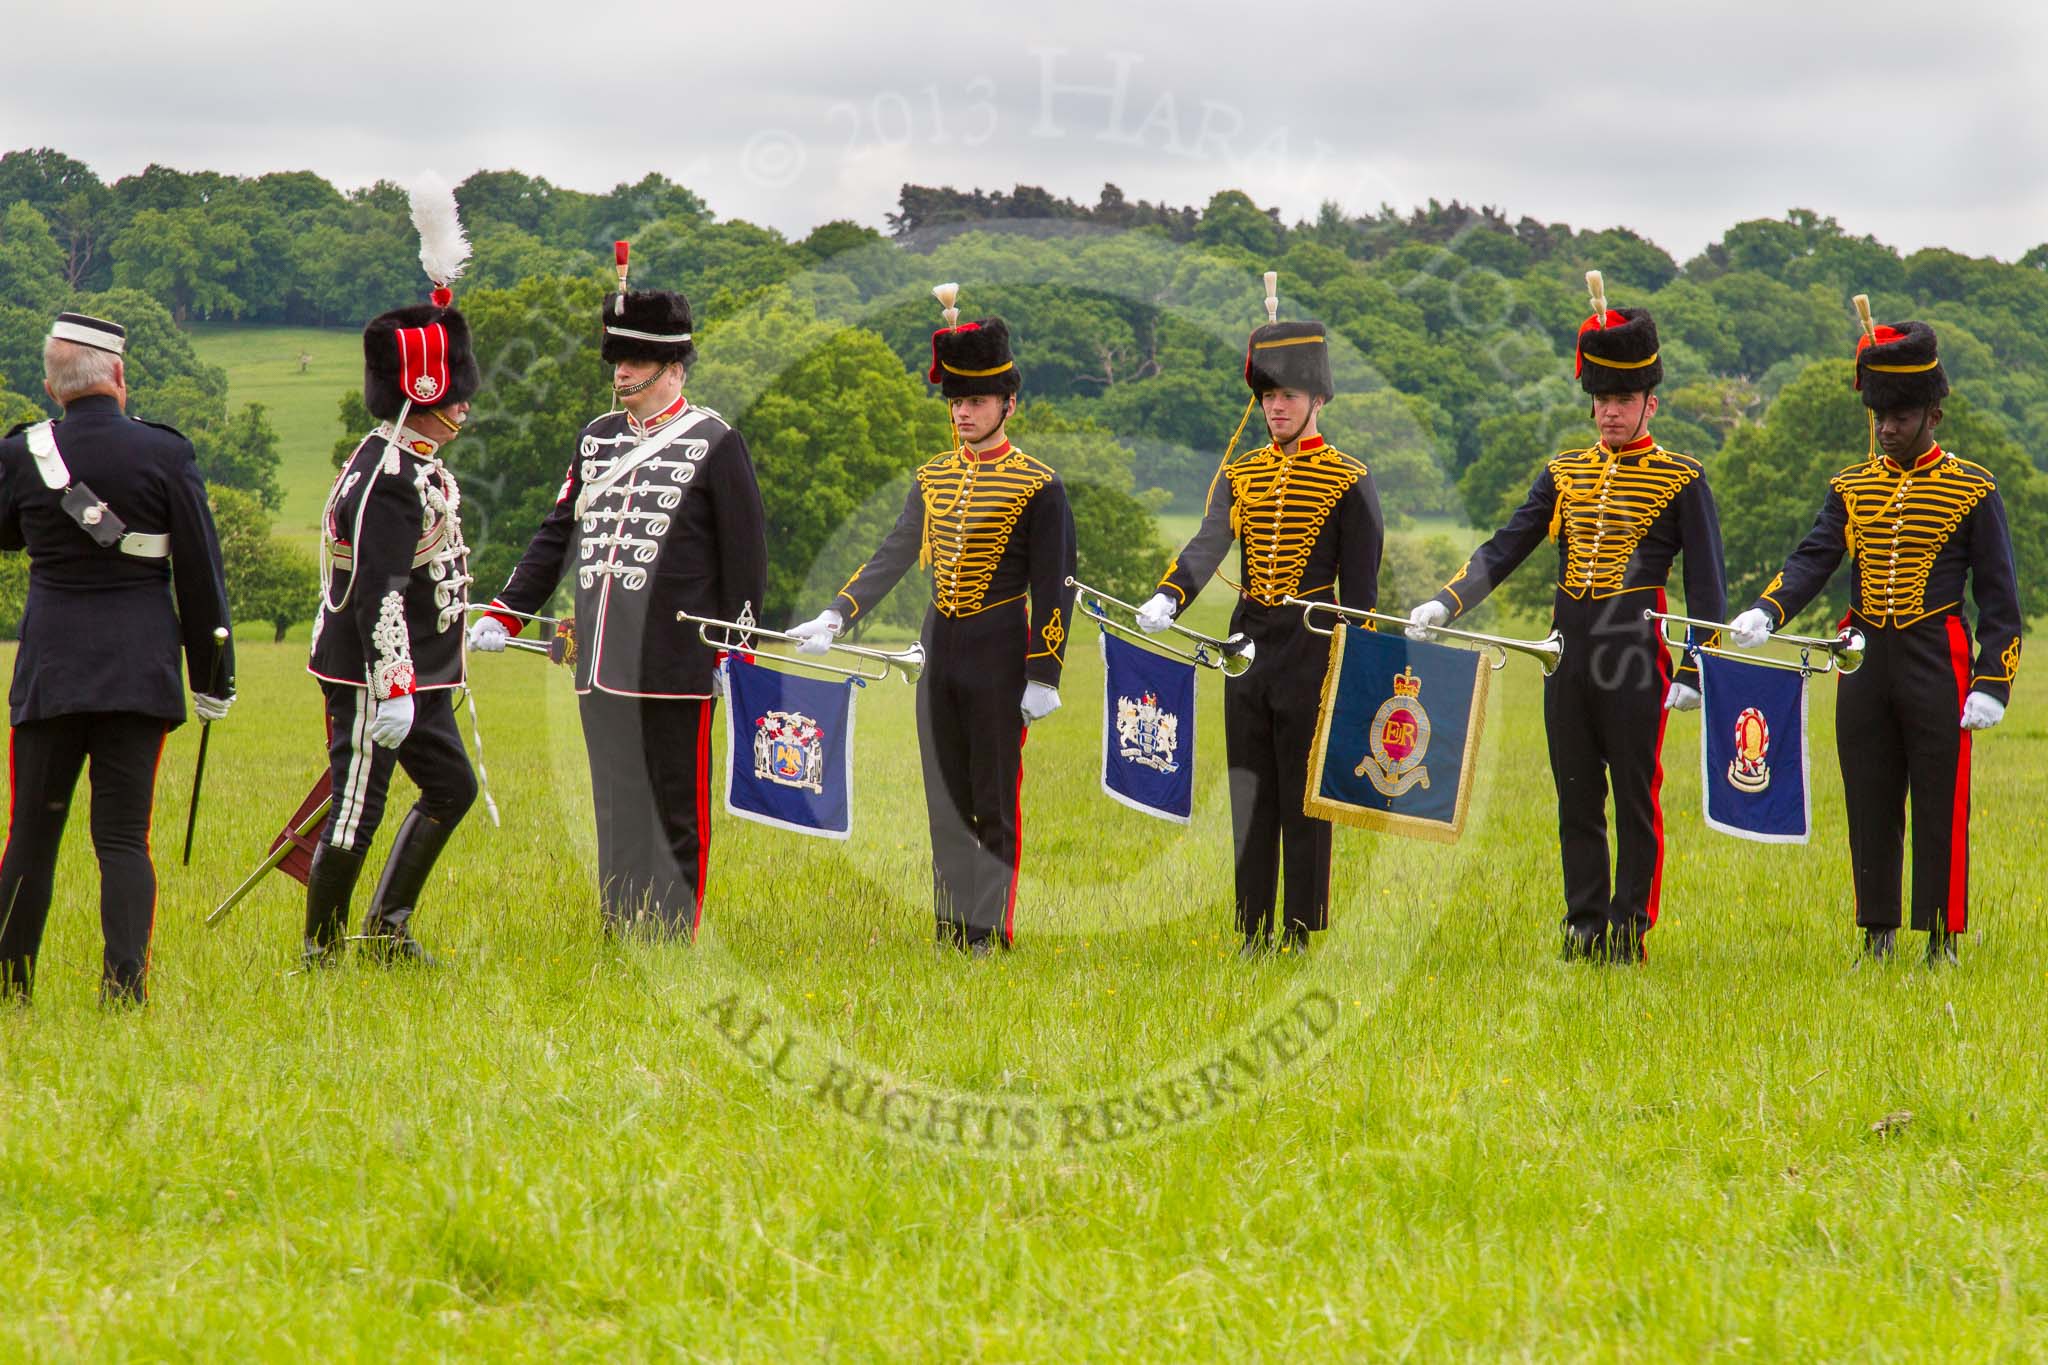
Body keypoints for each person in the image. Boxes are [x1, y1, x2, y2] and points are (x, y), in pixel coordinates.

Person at [1406, 301, 1724, 964]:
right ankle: (1583, 921)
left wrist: (1697, 666)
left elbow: (1709, 586)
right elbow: (1506, 546)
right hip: (1565, 652)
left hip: (1635, 656)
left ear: (1650, 405)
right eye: (1602, 399)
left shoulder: (1683, 477)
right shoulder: (1564, 471)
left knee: (1636, 797)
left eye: (1624, 399)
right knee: (1576, 795)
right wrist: (1448, 600)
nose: (1611, 412)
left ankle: (1629, 925)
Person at [471, 268, 767, 939]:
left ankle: (672, 931)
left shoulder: (714, 440)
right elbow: (556, 536)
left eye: (634, 361)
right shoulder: (597, 437)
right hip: (599, 659)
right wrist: (505, 610)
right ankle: (620, 924)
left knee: (674, 807)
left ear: (671, 366)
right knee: (616, 803)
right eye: (618, 359)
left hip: (677, 660)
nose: (621, 373)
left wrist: (735, 649)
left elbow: (746, 557)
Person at [788, 288, 1076, 956]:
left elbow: (1052, 585)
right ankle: (951, 926)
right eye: (955, 402)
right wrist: (837, 613)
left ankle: (988, 931)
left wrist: (1044, 672)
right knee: (944, 798)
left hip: (1001, 646)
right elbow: (892, 554)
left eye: (975, 401)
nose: (964, 414)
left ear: (1008, 403)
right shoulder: (933, 476)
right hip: (938, 644)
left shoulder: (1039, 484)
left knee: (993, 803)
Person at [1727, 318, 2021, 966]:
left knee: (1941, 800)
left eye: (1901, 414)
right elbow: (1812, 559)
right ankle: (1877, 933)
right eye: (1880, 414)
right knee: (1869, 796)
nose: (1887, 427)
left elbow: (2001, 601)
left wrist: (1992, 682)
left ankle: (1942, 938)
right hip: (1860, 653)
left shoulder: (1974, 488)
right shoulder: (1850, 487)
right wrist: (1766, 609)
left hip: (1935, 654)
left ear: (1934, 413)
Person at [1132, 303, 1381, 957]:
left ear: (1318, 396)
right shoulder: (1241, 473)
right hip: (1246, 645)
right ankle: (1250, 928)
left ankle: (1299, 929)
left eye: (1288, 394)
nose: (1276, 407)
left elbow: (1362, 596)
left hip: (1314, 644)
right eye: (1268, 395)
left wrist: (1358, 676)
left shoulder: (1350, 479)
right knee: (1249, 789)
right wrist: (1169, 595)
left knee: (1303, 798)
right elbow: (1209, 541)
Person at [0, 311, 234, 1004]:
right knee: (124, 841)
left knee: (31, 838)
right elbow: (200, 573)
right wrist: (212, 678)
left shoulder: (23, 454)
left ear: (51, 386)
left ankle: (11, 988)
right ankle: (124, 989)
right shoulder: (167, 455)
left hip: (52, 673)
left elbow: (6, 533)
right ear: (120, 377)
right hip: (140, 673)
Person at [304, 186, 481, 965]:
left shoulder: (409, 460)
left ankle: (386, 928)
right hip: (382, 673)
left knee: (452, 789)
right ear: (423, 397)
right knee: (353, 812)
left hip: (421, 671)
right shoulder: (391, 477)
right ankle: (321, 951)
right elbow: (378, 588)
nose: (466, 409)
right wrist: (396, 683)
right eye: (457, 397)